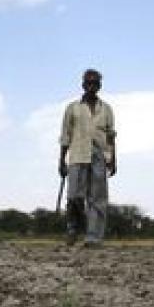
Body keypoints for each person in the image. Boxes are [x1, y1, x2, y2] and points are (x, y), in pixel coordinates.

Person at [58, 68, 117, 247]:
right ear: (83, 84)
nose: (91, 86)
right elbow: (65, 135)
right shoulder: (72, 108)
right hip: (77, 154)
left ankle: (93, 238)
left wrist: (113, 159)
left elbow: (111, 136)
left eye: (95, 83)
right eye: (88, 83)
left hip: (100, 155)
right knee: (74, 195)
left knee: (97, 198)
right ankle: (73, 227)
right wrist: (61, 160)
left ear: (100, 86)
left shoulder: (106, 109)